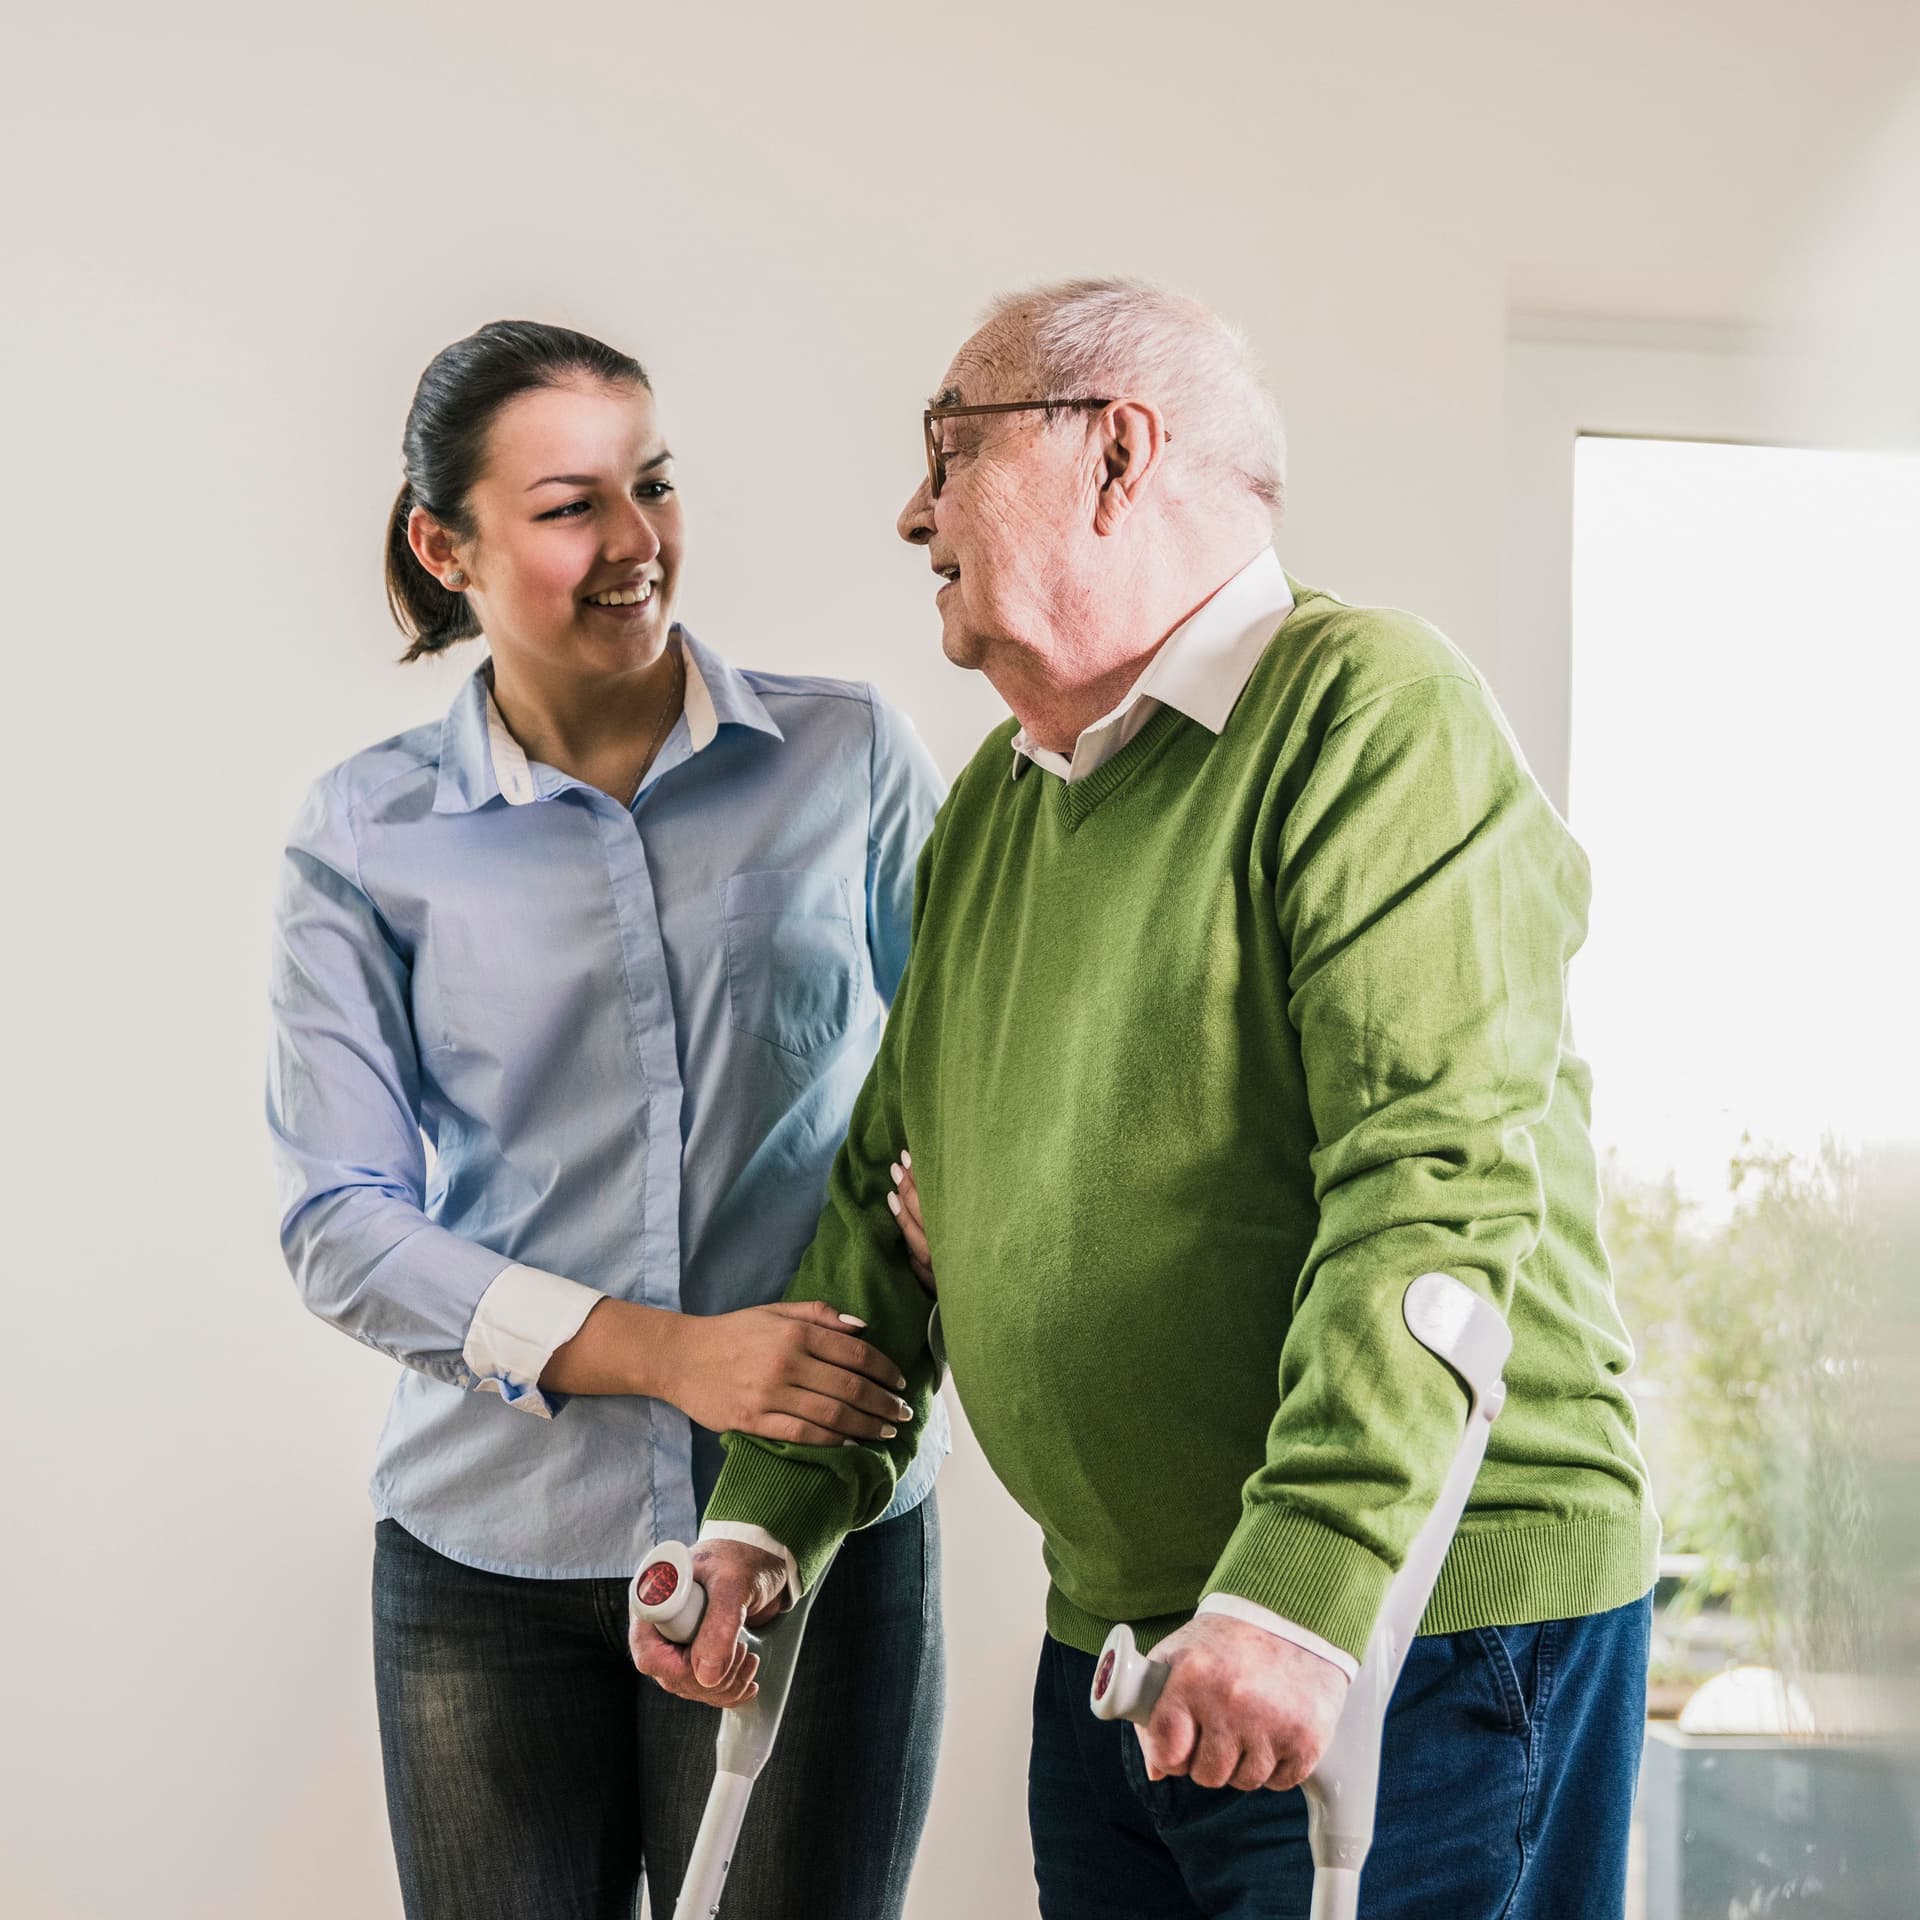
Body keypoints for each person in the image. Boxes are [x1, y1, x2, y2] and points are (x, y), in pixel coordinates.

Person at [637, 280, 1660, 1919]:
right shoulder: (998, 803)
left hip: (1412, 1628)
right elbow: (884, 1202)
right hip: (1119, 1647)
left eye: (948, 453)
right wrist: (767, 1521)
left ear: (1116, 455)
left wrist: (1307, 1591)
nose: (915, 512)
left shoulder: (1365, 715)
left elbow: (1431, 1187)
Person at [266, 318, 950, 1920]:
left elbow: (959, 1102)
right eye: (572, 505)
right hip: (483, 1560)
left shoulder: (846, 760)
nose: (637, 544)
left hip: (812, 1541)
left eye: (651, 484)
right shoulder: (368, 835)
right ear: (449, 547)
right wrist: (671, 1352)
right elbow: (341, 1221)